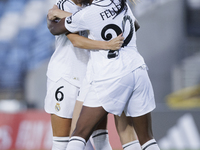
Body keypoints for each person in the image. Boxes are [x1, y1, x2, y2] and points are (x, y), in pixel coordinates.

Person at [47, 0, 161, 149]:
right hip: (137, 69)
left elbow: (56, 28)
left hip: (109, 74)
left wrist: (54, 14)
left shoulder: (91, 12)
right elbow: (135, 25)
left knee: (79, 132)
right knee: (143, 138)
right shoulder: (120, 3)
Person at [44, 0, 123, 150]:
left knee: (100, 137)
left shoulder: (93, 6)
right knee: (61, 142)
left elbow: (94, 21)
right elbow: (75, 40)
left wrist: (71, 16)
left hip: (91, 77)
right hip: (65, 77)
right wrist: (106, 45)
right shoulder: (63, 5)